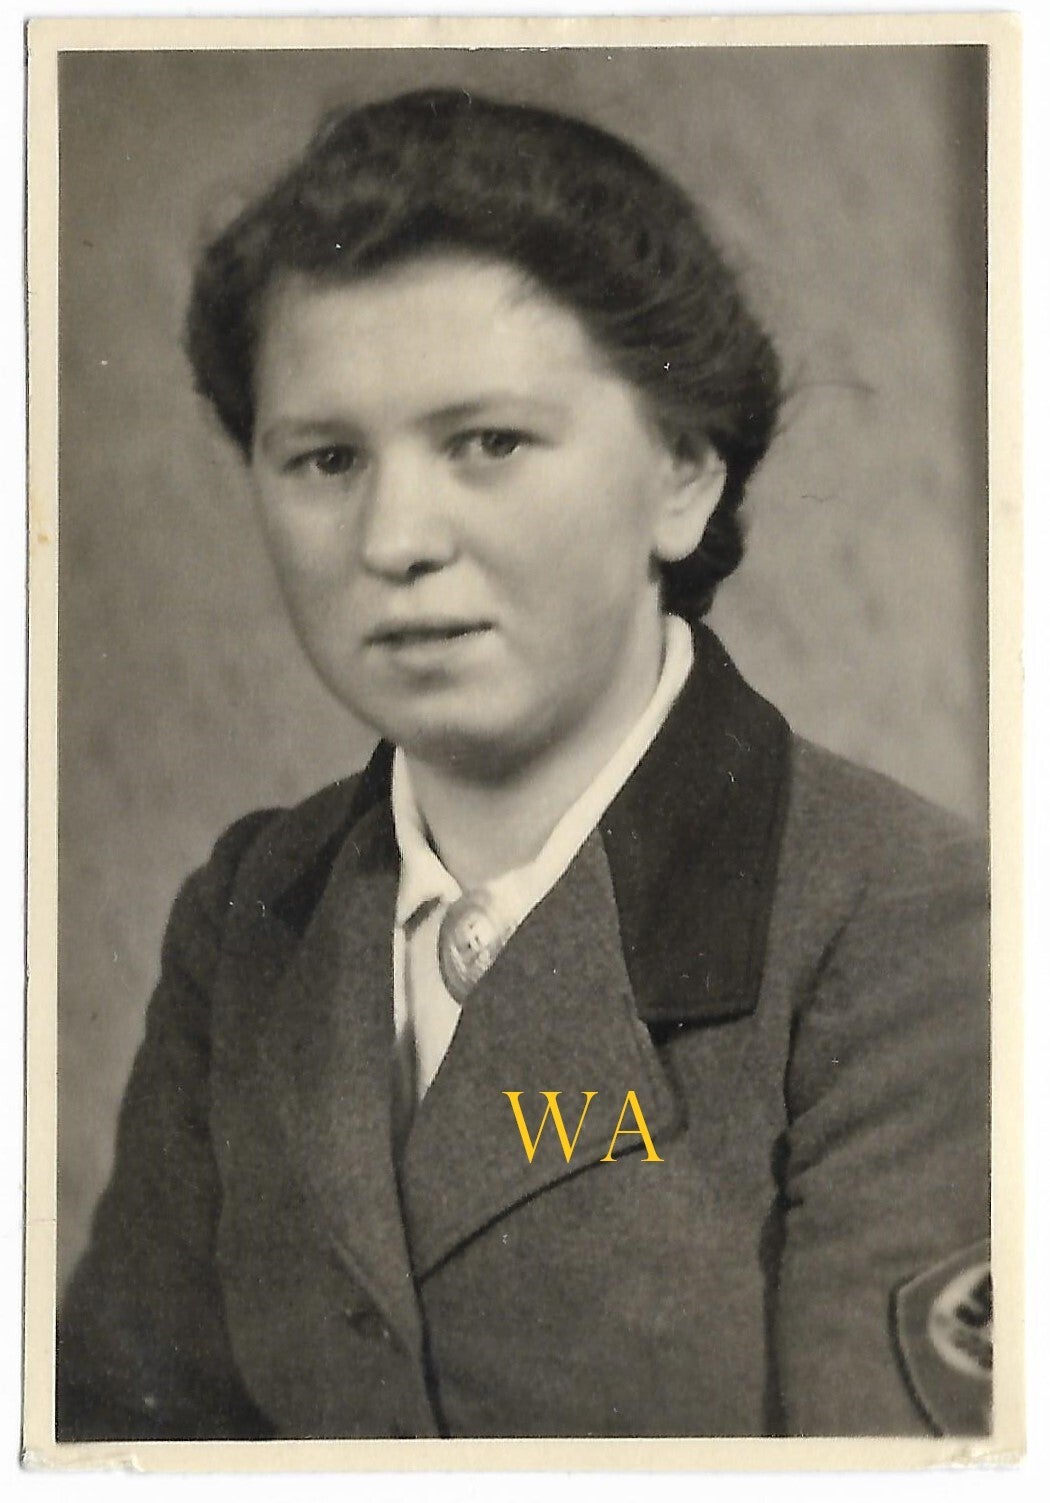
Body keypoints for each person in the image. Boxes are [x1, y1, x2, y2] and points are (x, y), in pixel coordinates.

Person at [56, 88, 990, 1442]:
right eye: (323, 458)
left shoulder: (908, 924)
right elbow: (120, 1438)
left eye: (485, 443)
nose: (395, 537)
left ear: (681, 474)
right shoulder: (253, 912)